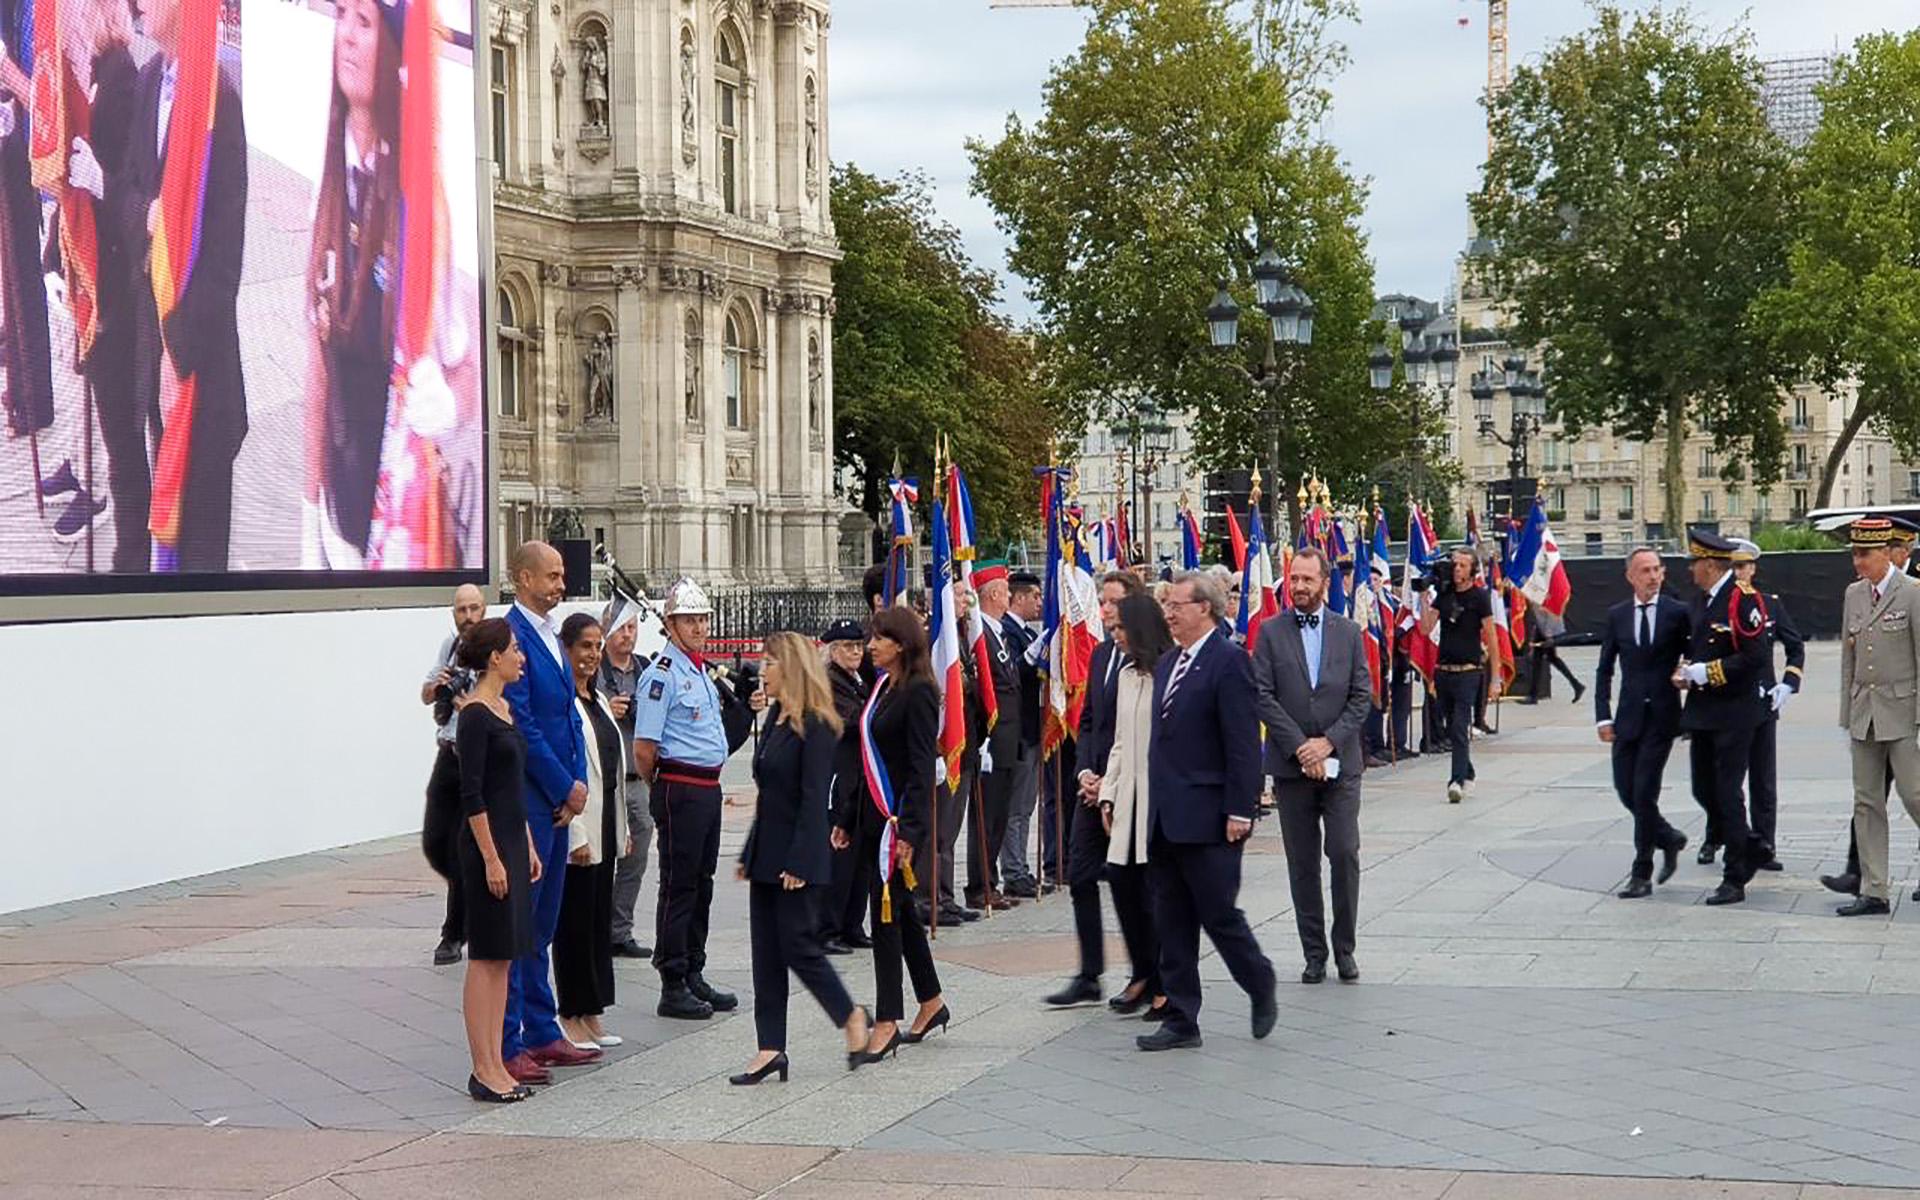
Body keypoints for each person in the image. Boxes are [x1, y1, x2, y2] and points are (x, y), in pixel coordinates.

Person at [119, 0, 249, 571]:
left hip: (199, 366)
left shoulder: (219, 100)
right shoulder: (150, 80)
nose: (139, 5)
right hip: (155, 343)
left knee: (200, 544)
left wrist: (182, 350)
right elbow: (125, 187)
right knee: (164, 509)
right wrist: (147, 212)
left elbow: (225, 259)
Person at [1138, 571, 1277, 1052]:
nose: (1169, 612)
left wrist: (1243, 807)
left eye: (1177, 605)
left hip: (1211, 814)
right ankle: (1181, 1016)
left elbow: (1242, 743)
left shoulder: (1230, 661)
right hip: (1166, 815)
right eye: (1168, 605)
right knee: (1171, 918)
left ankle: (1259, 982)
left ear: (1206, 609)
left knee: (1217, 913)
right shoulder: (1168, 661)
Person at [731, 632, 873, 1085]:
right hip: (767, 853)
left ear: (790, 668)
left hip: (798, 856)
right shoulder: (775, 718)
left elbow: (813, 799)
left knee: (799, 947)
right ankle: (770, 1047)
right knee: (765, 956)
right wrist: (751, 850)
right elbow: (769, 792)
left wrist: (799, 861)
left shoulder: (817, 723)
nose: (761, 670)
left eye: (769, 662)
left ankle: (850, 1016)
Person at [300, 0, 400, 568]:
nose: (346, 37)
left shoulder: (408, 186)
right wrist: (308, 509)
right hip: (344, 492)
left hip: (391, 507)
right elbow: (316, 353)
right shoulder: (337, 178)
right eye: (341, 16)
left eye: (364, 22)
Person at [41, 0, 143, 553]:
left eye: (76, 10)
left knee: (111, 398)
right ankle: (81, 464)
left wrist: (99, 179)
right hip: (87, 259)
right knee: (76, 365)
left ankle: (98, 486)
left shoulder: (122, 75)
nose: (66, 20)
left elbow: (125, 180)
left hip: (115, 274)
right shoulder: (94, 70)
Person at [633, 577, 759, 1019]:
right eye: (689, 620)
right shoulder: (661, 676)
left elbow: (715, 735)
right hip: (681, 788)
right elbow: (645, 748)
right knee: (679, 886)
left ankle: (693, 971)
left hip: (708, 787)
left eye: (703, 619)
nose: (699, 627)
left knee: (701, 885)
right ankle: (672, 979)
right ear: (670, 624)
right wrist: (661, 786)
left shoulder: (699, 671)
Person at [832, 607, 951, 1063]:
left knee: (884, 919)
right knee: (899, 914)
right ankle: (931, 1000)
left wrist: (912, 832)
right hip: (872, 819)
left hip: (899, 825)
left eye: (879, 638)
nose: (870, 645)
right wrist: (846, 818)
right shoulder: (883, 686)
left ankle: (887, 1020)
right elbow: (866, 759)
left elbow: (921, 767)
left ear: (900, 644)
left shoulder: (919, 692)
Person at [1252, 546, 1372, 985]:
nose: (1298, 586)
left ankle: (1345, 948)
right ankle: (1314, 953)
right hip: (1291, 767)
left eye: (1307, 579)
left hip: (1342, 766)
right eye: (1293, 579)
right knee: (1302, 863)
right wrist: (1301, 747)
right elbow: (1262, 694)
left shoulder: (1349, 632)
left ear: (1325, 582)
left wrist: (1328, 744)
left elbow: (1362, 696)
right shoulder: (1269, 632)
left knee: (1343, 852)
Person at [500, 542, 596, 1084]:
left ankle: (542, 1029)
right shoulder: (512, 637)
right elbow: (526, 724)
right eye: (552, 575)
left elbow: (568, 711)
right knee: (521, 923)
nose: (562, 584)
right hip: (535, 802)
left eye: (562, 575)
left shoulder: (549, 634)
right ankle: (510, 1038)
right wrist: (563, 786)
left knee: (544, 924)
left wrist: (574, 786)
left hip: (560, 802)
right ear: (522, 577)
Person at [1045, 570, 1147, 1008]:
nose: (1103, 609)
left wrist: (1112, 780)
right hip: (1093, 789)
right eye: (1102, 601)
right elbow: (1088, 721)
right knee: (1081, 876)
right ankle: (1089, 973)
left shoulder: (1147, 657)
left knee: (1133, 884)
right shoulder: (1104, 654)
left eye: (1112, 601)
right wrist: (1085, 770)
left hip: (1128, 788)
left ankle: (1147, 972)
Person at [452, 618, 541, 1103]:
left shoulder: (505, 710)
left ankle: (497, 1063)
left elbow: (512, 789)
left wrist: (524, 845)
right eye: (514, 650)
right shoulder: (474, 715)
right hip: (486, 845)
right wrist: (490, 857)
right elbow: (474, 794)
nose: (520, 658)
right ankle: (482, 1066)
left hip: (510, 839)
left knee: (503, 959)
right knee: (485, 958)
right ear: (494, 658)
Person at [1674, 527, 1773, 907]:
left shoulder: (1741, 600)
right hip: (1703, 711)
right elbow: (1694, 645)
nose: (1691, 570)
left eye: (1695, 563)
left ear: (1711, 565)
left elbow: (1755, 657)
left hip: (1734, 709)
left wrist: (1707, 672)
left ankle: (1735, 875)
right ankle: (1750, 843)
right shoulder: (1700, 601)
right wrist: (1686, 671)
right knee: (1704, 788)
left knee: (1728, 791)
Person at [1825, 518, 1920, 898]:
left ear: (1886, 552)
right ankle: (1874, 889)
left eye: (1864, 554)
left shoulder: (1912, 592)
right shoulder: (1854, 595)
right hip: (1865, 713)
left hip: (1902, 713)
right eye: (1854, 554)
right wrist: (1847, 713)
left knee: (1915, 796)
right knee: (1866, 802)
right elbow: (1849, 659)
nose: (1858, 562)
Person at [1086, 589, 1170, 1019]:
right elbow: (1119, 743)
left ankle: (1162, 984)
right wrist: (1107, 794)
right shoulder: (1125, 676)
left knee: (1156, 894)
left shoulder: (1167, 672)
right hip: (1126, 799)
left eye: (1121, 628)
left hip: (1158, 801)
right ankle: (1141, 970)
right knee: (1122, 883)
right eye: (1112, 628)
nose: (1114, 636)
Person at [1594, 548, 1691, 898]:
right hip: (1628, 717)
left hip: (1663, 718)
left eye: (1657, 570)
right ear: (1630, 577)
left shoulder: (1677, 613)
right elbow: (1605, 668)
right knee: (1626, 790)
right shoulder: (1618, 616)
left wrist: (1686, 672)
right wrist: (1602, 716)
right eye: (1645, 571)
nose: (1652, 577)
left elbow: (1694, 652)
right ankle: (1668, 837)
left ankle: (1641, 871)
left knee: (1645, 791)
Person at [554, 614, 630, 1051]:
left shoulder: (598, 699)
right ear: (567, 649)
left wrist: (621, 827)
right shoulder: (567, 705)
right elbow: (570, 769)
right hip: (580, 827)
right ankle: (571, 1013)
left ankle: (593, 1011)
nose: (592, 655)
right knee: (575, 924)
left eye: (597, 646)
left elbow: (612, 769)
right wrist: (576, 833)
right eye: (585, 646)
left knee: (599, 919)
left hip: (606, 821)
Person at [423, 583, 487, 964]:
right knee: (434, 840)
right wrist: (439, 686)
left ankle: (453, 933)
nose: (468, 617)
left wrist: (473, 701)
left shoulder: (496, 651)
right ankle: (470, 895)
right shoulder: (449, 647)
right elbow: (425, 693)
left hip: (475, 756)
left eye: (474, 608)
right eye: (462, 609)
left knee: (464, 846)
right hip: (448, 751)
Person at [1732, 540, 1803, 874]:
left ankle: (1764, 843)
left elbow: (1794, 645)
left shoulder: (1770, 605)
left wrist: (1788, 684)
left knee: (1763, 779)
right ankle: (1718, 837)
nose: (1739, 573)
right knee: (1726, 779)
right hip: (1728, 702)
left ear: (1753, 568)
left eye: (1743, 566)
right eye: (1733, 567)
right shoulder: (1719, 605)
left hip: (1762, 700)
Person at [597, 596, 654, 962]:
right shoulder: (595, 671)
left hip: (639, 779)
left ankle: (620, 930)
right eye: (620, 629)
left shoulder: (646, 670)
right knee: (603, 859)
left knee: (637, 860)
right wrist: (609, 708)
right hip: (607, 780)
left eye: (632, 628)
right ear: (606, 633)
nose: (627, 636)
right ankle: (596, 929)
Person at [1419, 548, 1498, 803]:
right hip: (1444, 672)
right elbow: (1425, 627)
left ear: (1472, 570)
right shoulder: (1444, 596)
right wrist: (1423, 596)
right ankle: (1468, 770)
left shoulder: (1479, 597)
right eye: (1455, 565)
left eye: (1463, 566)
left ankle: (1456, 781)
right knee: (1452, 727)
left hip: (1468, 672)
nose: (1457, 570)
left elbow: (1492, 637)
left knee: (1459, 725)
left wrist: (1495, 678)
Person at [965, 562, 1022, 913]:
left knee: (999, 814)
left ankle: (991, 881)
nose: (1009, 596)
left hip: (1008, 737)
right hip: (992, 738)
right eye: (1005, 590)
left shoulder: (997, 632)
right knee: (986, 816)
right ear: (993, 595)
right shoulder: (980, 635)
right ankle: (980, 885)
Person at [820, 619, 875, 953]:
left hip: (861, 776)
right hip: (841, 776)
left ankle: (852, 924)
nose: (855, 652)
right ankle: (829, 928)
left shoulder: (857, 680)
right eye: (848, 647)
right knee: (840, 856)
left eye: (858, 646)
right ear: (833, 650)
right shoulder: (830, 682)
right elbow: (851, 721)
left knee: (861, 859)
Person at [998, 571, 1046, 895]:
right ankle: (1013, 871)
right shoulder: (1007, 632)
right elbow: (1013, 672)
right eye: (1036, 597)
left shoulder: (1025, 633)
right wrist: (1037, 651)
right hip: (1017, 730)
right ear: (1020, 598)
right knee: (1015, 807)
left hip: (1032, 728)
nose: (1040, 603)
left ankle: (1021, 868)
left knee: (1026, 805)